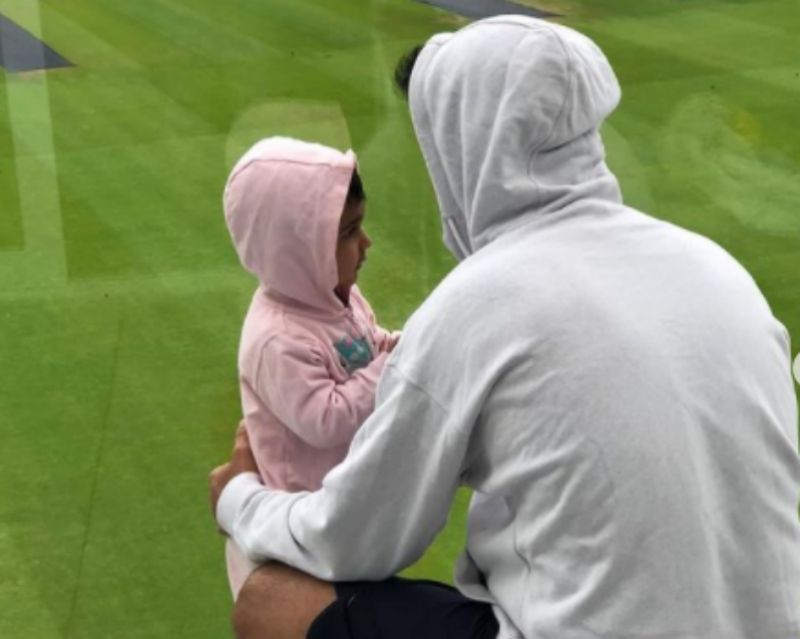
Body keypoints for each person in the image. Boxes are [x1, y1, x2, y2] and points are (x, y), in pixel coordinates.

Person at [210, 16, 800, 639]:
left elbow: (354, 538)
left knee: (272, 597)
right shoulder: (716, 266)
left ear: (464, 145)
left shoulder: (478, 303)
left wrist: (239, 496)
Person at [221, 137, 400, 598]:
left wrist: (404, 344)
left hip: (340, 514)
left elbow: (370, 344)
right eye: (347, 233)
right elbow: (327, 418)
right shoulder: (277, 338)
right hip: (293, 540)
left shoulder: (339, 296)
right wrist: (398, 366)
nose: (366, 243)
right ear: (295, 248)